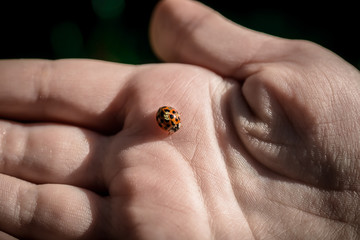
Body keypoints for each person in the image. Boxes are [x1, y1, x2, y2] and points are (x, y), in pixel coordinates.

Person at [0, 0, 359, 239]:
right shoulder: (164, 118)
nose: (170, 123)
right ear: (168, 122)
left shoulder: (168, 119)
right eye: (170, 122)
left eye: (170, 122)